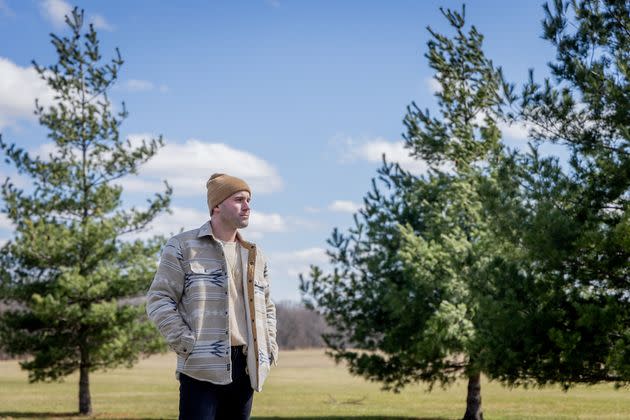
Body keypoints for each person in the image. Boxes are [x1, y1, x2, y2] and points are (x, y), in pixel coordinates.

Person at [147, 173, 278, 420]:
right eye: (239, 199)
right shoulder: (183, 246)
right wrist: (185, 342)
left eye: (249, 200)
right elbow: (159, 299)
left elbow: (268, 308)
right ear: (217, 206)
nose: (247, 206)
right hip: (200, 365)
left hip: (246, 368)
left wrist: (268, 347)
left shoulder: (255, 255)